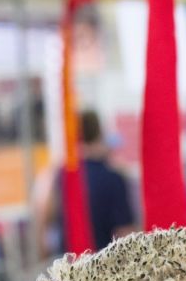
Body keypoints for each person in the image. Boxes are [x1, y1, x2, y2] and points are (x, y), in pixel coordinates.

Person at [34, 110, 135, 259]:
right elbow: (125, 233)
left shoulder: (61, 175)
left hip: (69, 267)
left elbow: (44, 217)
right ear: (99, 132)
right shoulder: (113, 178)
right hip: (103, 267)